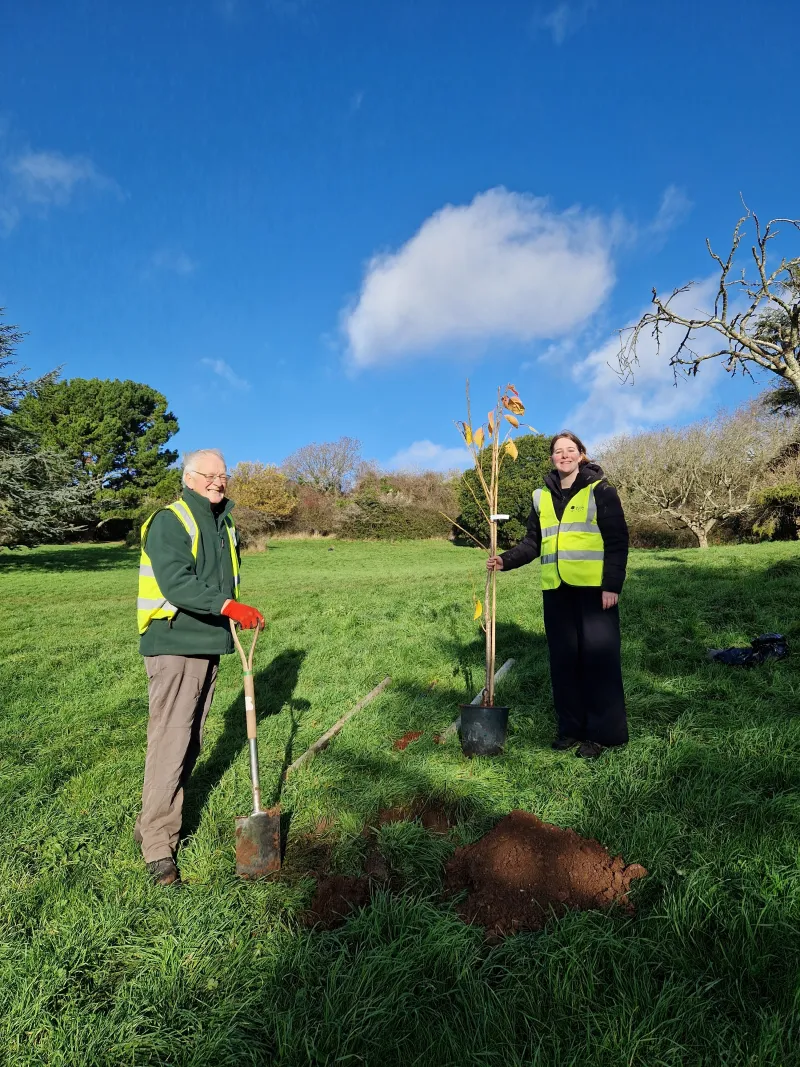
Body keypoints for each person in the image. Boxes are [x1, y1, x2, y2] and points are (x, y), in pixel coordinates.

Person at [134, 448, 265, 885]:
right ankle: (158, 846)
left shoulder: (223, 524)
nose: (217, 481)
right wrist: (228, 606)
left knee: (189, 742)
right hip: (175, 643)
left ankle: (154, 824)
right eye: (208, 474)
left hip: (207, 643)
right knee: (171, 743)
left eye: (223, 475)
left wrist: (232, 613)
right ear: (188, 478)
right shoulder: (171, 520)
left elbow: (220, 580)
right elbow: (177, 582)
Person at [487, 431, 629, 759]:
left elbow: (618, 539)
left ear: (581, 454)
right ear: (552, 457)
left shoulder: (601, 490)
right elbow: (533, 542)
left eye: (570, 450)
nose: (564, 455)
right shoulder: (541, 497)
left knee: (599, 662)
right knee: (564, 663)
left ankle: (602, 735)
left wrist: (612, 585)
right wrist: (505, 560)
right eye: (558, 451)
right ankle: (571, 729)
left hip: (595, 592)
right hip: (556, 591)